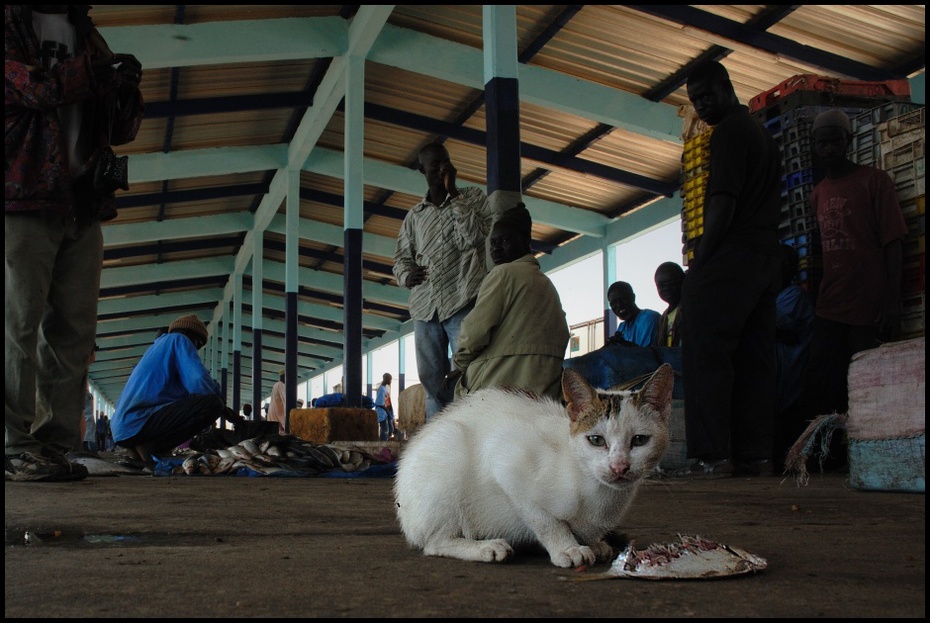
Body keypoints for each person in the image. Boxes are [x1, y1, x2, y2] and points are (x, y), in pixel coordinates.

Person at [5, 5, 144, 482]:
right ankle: (12, 444)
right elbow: (30, 86)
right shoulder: (11, 24)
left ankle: (56, 445)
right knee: (16, 324)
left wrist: (126, 90)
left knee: (74, 334)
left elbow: (121, 129)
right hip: (20, 196)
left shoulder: (88, 35)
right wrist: (93, 72)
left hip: (82, 203)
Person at [783, 109, 907, 466]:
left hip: (868, 305)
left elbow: (894, 243)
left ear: (848, 142)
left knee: (866, 386)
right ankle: (829, 457)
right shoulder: (818, 193)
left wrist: (892, 300)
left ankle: (869, 457)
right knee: (823, 383)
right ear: (815, 147)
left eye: (836, 141)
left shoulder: (875, 181)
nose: (829, 148)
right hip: (830, 306)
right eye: (823, 142)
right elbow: (821, 252)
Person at [677, 60, 782, 478]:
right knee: (755, 357)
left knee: (705, 351)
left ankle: (712, 456)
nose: (702, 105)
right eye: (695, 100)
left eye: (707, 95)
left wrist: (700, 265)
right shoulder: (761, 135)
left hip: (733, 253)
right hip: (765, 256)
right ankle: (755, 456)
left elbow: (722, 199)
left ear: (727, 88)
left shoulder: (730, 134)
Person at [393, 142, 492, 419]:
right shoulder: (414, 217)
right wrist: (406, 275)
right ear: (421, 169)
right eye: (434, 165)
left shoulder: (472, 198)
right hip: (425, 308)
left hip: (462, 301)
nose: (440, 169)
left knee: (470, 373)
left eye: (445, 162)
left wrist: (454, 194)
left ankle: (472, 432)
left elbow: (475, 237)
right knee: (432, 382)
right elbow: (401, 258)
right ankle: (439, 443)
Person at [446, 204, 571, 401]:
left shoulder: (503, 274)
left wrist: (460, 366)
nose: (496, 248)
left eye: (505, 240)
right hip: (545, 395)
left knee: (445, 393)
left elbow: (472, 335)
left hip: (500, 394)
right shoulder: (547, 284)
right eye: (493, 243)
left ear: (525, 241)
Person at [110, 314, 234, 470]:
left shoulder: (155, 348)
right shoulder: (179, 340)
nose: (195, 350)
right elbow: (198, 381)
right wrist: (221, 400)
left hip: (123, 429)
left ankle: (139, 447)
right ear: (192, 336)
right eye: (197, 345)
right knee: (213, 404)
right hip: (139, 423)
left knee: (209, 403)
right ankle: (151, 445)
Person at [605, 281, 660, 348]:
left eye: (622, 299)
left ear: (633, 297)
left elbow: (644, 354)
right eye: (613, 303)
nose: (618, 305)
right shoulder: (621, 328)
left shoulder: (649, 319)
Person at [653, 262, 685, 347]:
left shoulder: (691, 310)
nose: (666, 288)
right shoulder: (663, 318)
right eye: (661, 285)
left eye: (670, 283)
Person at [375, 373, 394, 441]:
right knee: (384, 428)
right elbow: (379, 403)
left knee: (389, 429)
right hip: (382, 412)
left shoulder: (385, 389)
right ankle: (383, 442)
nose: (390, 381)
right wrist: (386, 410)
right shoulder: (382, 389)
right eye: (389, 380)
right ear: (386, 379)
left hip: (385, 412)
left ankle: (386, 440)